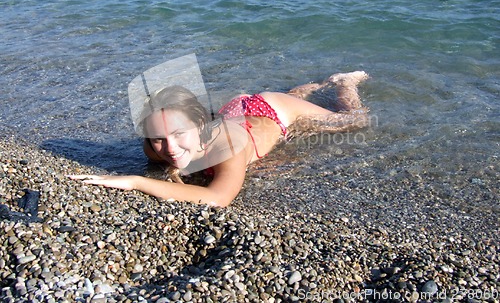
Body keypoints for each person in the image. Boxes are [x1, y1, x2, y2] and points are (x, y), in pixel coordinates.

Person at [70, 71, 369, 207]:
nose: (169, 149)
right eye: (158, 139)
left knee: (354, 121)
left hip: (273, 111)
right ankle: (310, 85)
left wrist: (136, 182)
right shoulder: (155, 147)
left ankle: (345, 82)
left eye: (177, 135)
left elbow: (218, 199)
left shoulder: (229, 148)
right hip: (236, 110)